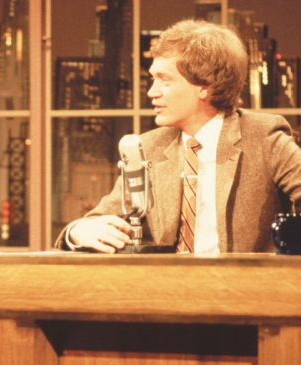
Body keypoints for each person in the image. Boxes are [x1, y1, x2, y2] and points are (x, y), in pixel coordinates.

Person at [55, 19, 301, 254]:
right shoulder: (149, 147)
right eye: (153, 78)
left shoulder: (262, 137)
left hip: (244, 282)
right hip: (168, 282)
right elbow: (99, 220)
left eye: (165, 80)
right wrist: (78, 232)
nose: (152, 92)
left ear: (204, 86)